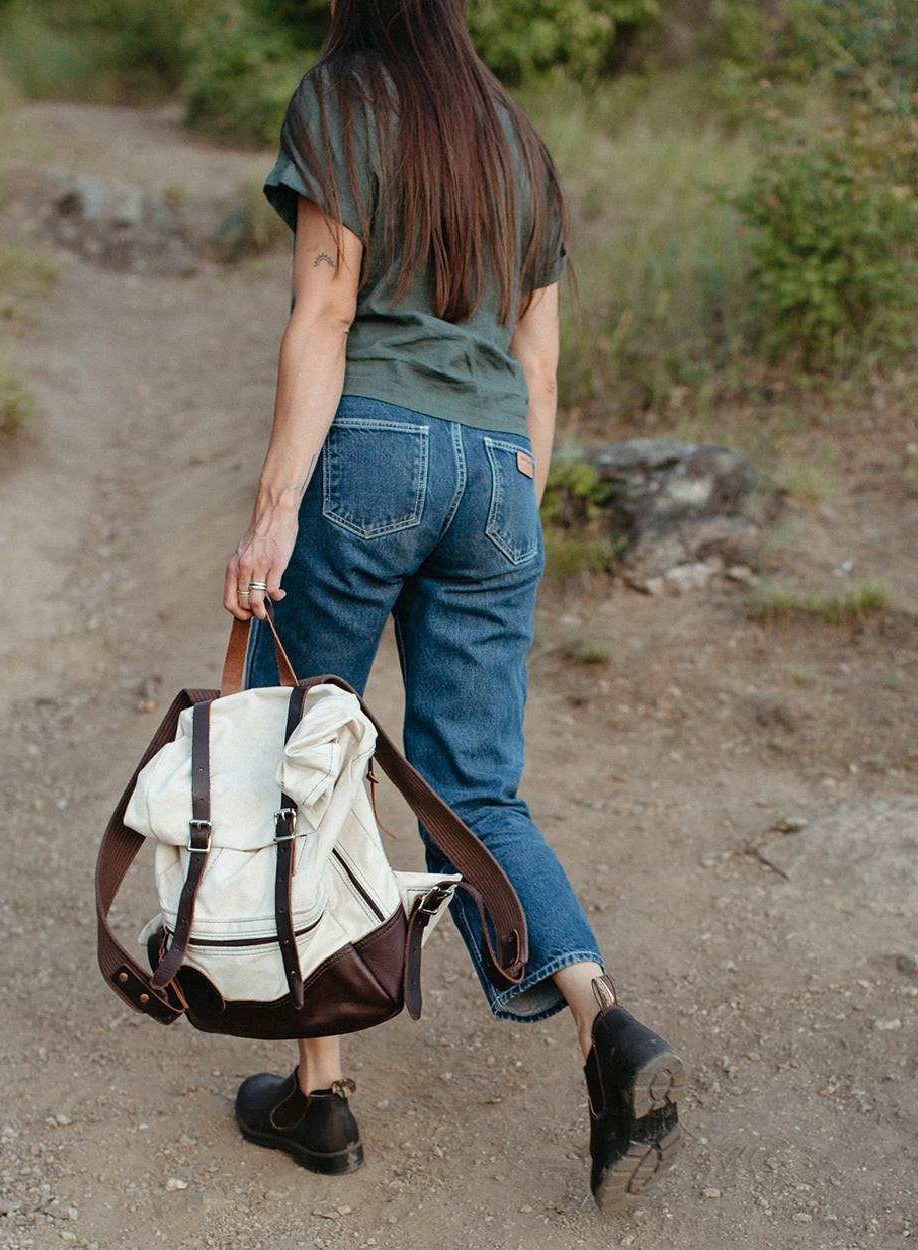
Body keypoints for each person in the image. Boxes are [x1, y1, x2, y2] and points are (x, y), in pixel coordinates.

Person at [222, 0, 684, 1213]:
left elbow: (325, 311)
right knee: (475, 783)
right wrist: (516, 502)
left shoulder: (340, 101)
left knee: (309, 755)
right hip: (497, 471)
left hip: (371, 450)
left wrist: (274, 508)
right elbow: (539, 358)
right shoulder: (517, 141)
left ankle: (321, 1092)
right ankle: (603, 1016)